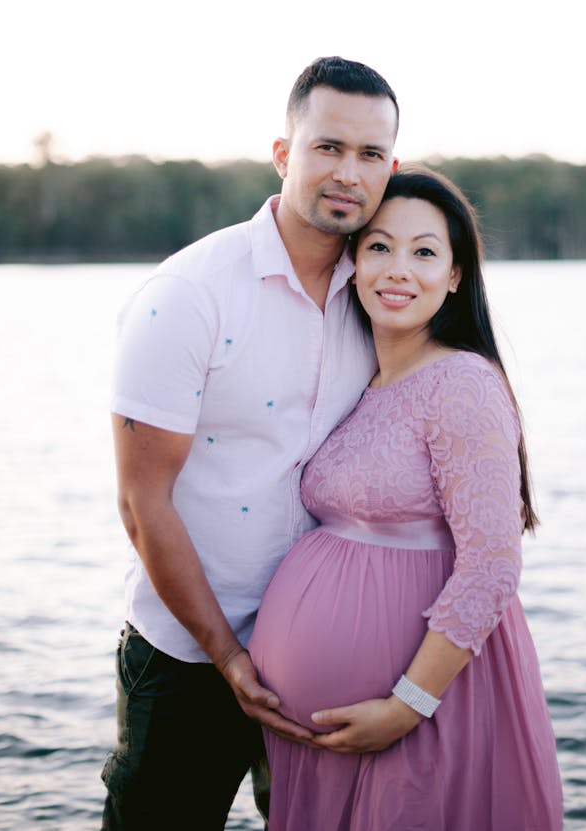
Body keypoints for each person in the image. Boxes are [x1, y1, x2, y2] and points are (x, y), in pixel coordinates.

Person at [100, 56, 400, 830]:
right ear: (282, 153)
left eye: (370, 155)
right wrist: (228, 655)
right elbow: (143, 502)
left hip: (323, 656)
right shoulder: (188, 295)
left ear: (391, 169)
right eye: (327, 146)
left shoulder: (380, 298)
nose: (348, 172)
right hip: (188, 658)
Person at [249, 166, 564, 830]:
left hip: (422, 708)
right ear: (354, 264)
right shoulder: (358, 380)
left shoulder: (461, 384)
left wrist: (406, 704)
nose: (399, 269)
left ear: (454, 275)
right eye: (380, 247)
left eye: (424, 251)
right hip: (322, 733)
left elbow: (492, 566)